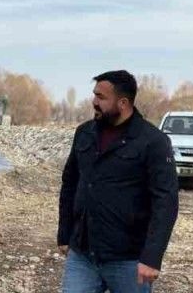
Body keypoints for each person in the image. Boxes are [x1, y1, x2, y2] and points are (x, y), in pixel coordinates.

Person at [57, 70, 179, 293]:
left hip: (129, 259)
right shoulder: (84, 133)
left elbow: (165, 201)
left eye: (101, 97)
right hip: (83, 255)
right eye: (94, 95)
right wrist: (64, 234)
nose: (94, 102)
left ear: (123, 103)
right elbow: (70, 184)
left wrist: (152, 257)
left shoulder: (153, 141)